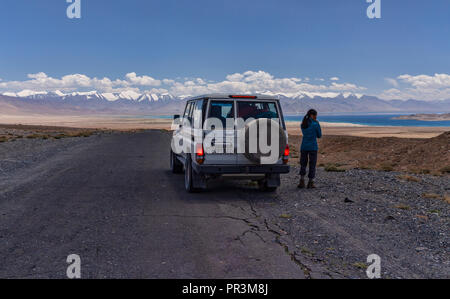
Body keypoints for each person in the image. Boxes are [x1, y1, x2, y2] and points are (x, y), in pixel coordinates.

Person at [298, 109, 322, 189]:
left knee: (303, 164)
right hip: (313, 147)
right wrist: (317, 124)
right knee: (312, 164)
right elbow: (319, 135)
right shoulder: (315, 124)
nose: (316, 117)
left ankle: (301, 181)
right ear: (312, 115)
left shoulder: (303, 124)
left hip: (304, 146)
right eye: (315, 115)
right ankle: (310, 182)